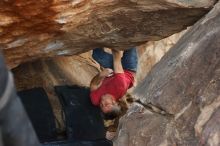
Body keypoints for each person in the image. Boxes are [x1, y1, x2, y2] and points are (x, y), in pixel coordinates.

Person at [90, 47, 137, 119]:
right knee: (131, 44)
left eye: (102, 106)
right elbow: (116, 54)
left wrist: (101, 75)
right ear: (114, 101)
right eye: (106, 104)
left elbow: (93, 84)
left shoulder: (95, 100)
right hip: (128, 69)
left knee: (97, 56)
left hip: (114, 73)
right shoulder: (120, 86)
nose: (102, 103)